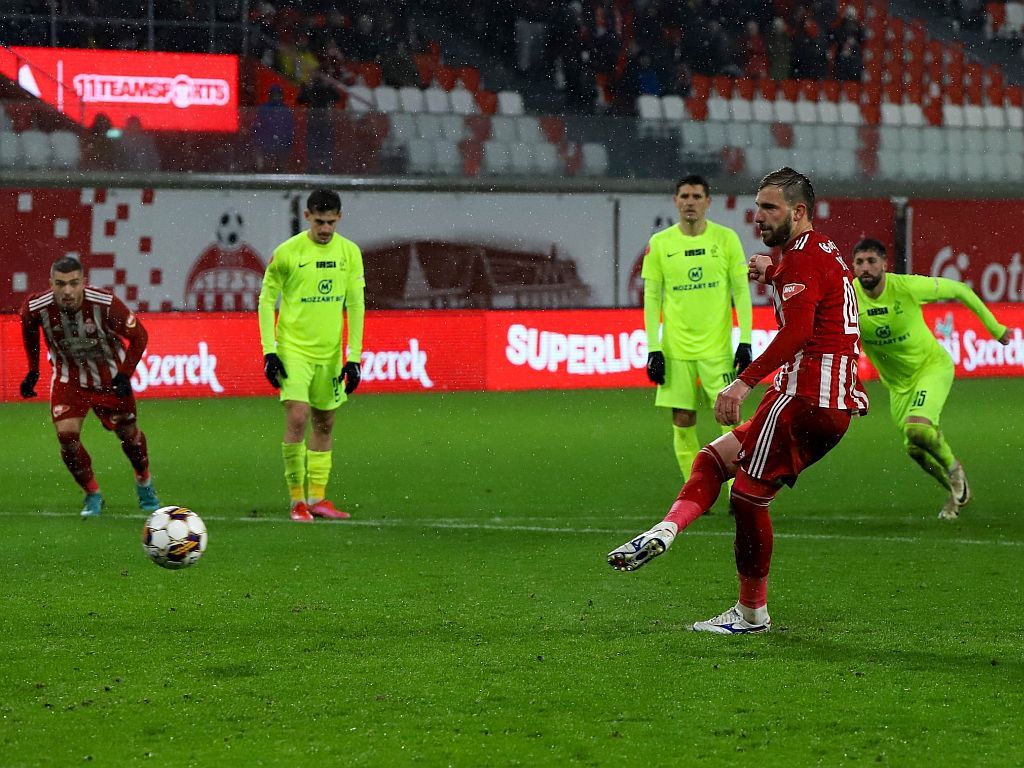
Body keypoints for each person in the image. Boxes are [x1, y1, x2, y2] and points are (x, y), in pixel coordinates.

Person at [609, 168, 869, 634]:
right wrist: (774, 273)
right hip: (829, 401)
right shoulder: (819, 250)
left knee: (748, 498)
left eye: (770, 207)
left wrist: (742, 383)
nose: (759, 215)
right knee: (713, 459)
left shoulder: (804, 258)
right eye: (758, 206)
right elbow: (821, 298)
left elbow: (799, 332)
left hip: (802, 397)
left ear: (800, 211)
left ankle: (750, 614)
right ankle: (666, 530)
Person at [851, 238, 1010, 519]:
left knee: (918, 429)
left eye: (871, 261)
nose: (865, 268)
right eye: (860, 262)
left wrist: (995, 329)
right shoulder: (848, 297)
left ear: (885, 264)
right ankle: (956, 491)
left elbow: (960, 289)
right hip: (897, 386)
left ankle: (955, 472)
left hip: (931, 368)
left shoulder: (906, 286)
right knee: (915, 448)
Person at [19, 256, 162, 518]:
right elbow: (28, 327)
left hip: (109, 378)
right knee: (67, 438)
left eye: (74, 283)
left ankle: (144, 482)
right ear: (51, 283)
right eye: (60, 284)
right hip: (69, 379)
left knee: (129, 436)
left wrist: (124, 374)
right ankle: (92, 494)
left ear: (83, 283)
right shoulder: (37, 307)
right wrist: (33, 370)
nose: (67, 291)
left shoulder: (105, 304)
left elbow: (140, 335)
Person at [257, 189, 365, 522]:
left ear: (340, 218)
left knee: (325, 421)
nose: (326, 229)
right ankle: (297, 501)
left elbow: (355, 305)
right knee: (298, 417)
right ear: (307, 217)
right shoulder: (287, 253)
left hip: (330, 354)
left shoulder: (350, 253)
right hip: (294, 350)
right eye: (319, 221)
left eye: (331, 222)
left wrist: (354, 357)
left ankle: (318, 497)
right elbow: (265, 300)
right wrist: (269, 350)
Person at [642, 174, 753, 481]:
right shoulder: (661, 244)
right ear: (675, 201)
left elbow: (740, 291)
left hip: (717, 351)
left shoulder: (726, 239)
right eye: (684, 197)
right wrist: (654, 348)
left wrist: (744, 340)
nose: (690, 202)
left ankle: (738, 491)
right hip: (676, 351)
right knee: (682, 419)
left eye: (696, 197)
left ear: (708, 202)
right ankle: (698, 488)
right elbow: (652, 298)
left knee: (730, 420)